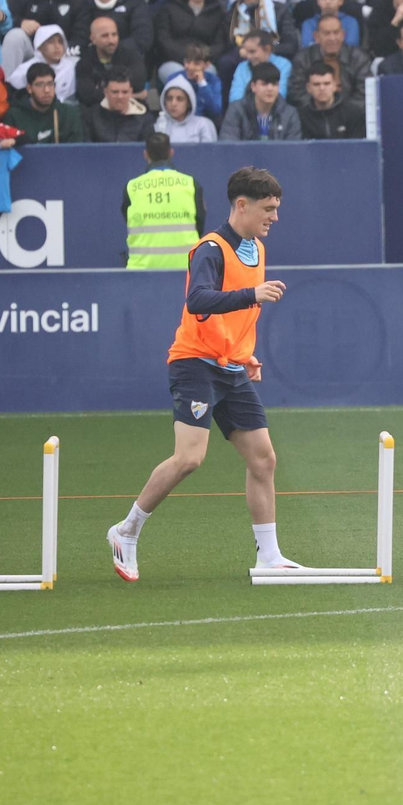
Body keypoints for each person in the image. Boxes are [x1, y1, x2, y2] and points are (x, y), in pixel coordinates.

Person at [108, 167, 304, 583]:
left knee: (263, 459)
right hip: (194, 363)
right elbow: (198, 300)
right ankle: (126, 531)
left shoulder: (257, 248)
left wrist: (245, 355)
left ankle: (270, 557)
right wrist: (253, 293)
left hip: (230, 367)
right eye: (268, 209)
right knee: (190, 458)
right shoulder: (210, 248)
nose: (275, 217)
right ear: (241, 205)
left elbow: (239, 318)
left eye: (276, 209)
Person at [123, 131, 205, 268]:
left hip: (140, 272)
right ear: (171, 152)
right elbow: (199, 223)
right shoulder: (190, 184)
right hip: (186, 269)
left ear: (146, 154)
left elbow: (129, 221)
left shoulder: (132, 187)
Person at [153, 0, 228, 81]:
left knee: (209, 74)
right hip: (174, 61)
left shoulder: (217, 10)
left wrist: (200, 59)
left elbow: (220, 44)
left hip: (204, 63)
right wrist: (187, 59)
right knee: (179, 76)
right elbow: (164, 40)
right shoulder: (169, 8)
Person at [5, 61, 88, 143]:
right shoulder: (14, 116)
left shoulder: (69, 114)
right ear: (29, 88)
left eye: (50, 84)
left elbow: (76, 150)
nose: (47, 90)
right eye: (40, 85)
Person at [76, 12, 148, 104]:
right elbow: (88, 97)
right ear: (93, 39)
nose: (111, 41)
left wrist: (101, 87)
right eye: (105, 36)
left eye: (114, 35)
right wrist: (133, 95)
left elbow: (138, 83)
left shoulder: (131, 55)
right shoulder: (84, 62)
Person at [220, 60, 302, 139]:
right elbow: (229, 145)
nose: (270, 89)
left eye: (274, 84)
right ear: (253, 86)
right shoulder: (237, 110)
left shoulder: (290, 114)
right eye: (264, 84)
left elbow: (293, 149)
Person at [295, 62, 366, 138]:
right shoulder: (301, 116)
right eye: (316, 84)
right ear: (308, 88)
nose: (322, 88)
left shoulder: (354, 113)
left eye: (327, 83)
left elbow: (357, 146)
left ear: (335, 86)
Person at [155, 70, 217, 143]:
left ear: (189, 103)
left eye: (180, 99)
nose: (173, 103)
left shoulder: (203, 124)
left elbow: (210, 152)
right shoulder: (160, 123)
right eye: (169, 98)